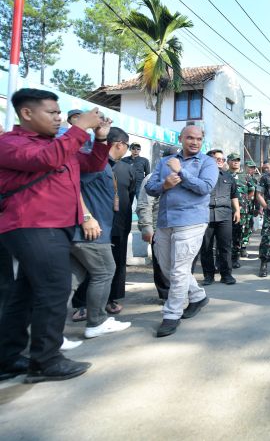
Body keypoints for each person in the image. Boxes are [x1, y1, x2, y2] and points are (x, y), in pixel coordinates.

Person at [0, 89, 110, 383]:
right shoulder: (10, 143)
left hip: (53, 228)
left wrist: (99, 139)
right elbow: (46, 160)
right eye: (52, 113)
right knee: (54, 290)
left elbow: (93, 165)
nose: (58, 118)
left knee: (24, 293)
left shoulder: (60, 144)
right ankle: (45, 360)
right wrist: (79, 128)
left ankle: (8, 358)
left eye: (59, 113)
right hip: (33, 225)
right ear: (26, 113)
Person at [145, 125, 217, 338]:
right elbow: (150, 188)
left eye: (198, 139)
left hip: (191, 221)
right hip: (165, 220)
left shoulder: (207, 162)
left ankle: (171, 314)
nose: (194, 142)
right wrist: (164, 185)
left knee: (178, 270)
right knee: (168, 268)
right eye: (190, 138)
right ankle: (197, 296)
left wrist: (181, 172)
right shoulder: (165, 162)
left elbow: (205, 188)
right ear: (181, 138)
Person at [69, 127, 134, 340]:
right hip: (91, 233)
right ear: (119, 145)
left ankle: (49, 333)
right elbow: (72, 188)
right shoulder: (96, 165)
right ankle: (96, 321)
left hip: (88, 233)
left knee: (70, 281)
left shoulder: (105, 166)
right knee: (105, 271)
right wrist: (86, 217)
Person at [136, 146, 181, 302]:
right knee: (161, 263)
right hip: (158, 228)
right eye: (172, 159)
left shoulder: (181, 177)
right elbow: (144, 205)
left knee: (177, 263)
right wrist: (147, 228)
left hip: (178, 226)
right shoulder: (151, 179)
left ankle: (177, 293)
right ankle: (165, 295)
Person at [199, 149, 239, 286]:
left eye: (222, 159)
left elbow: (234, 195)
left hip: (225, 215)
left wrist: (237, 211)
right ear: (209, 160)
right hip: (206, 214)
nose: (221, 161)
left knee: (225, 246)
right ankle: (208, 275)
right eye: (218, 159)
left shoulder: (228, 176)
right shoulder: (201, 175)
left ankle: (226, 275)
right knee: (206, 247)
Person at [228, 153, 254, 265]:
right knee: (226, 235)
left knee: (239, 233)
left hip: (242, 211)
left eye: (238, 160)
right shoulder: (224, 175)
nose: (236, 162)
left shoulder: (245, 176)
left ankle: (235, 257)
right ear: (228, 161)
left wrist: (246, 201)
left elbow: (252, 190)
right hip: (226, 209)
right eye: (233, 160)